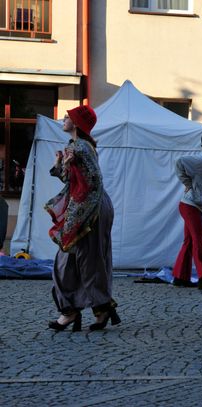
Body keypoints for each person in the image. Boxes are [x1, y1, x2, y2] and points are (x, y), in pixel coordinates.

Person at [45, 105, 120, 332]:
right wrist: (60, 166)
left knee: (89, 262)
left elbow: (94, 182)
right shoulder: (76, 147)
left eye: (67, 117)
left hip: (91, 209)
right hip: (85, 207)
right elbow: (73, 180)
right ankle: (73, 310)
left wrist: (79, 216)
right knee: (70, 262)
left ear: (77, 123)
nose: (64, 119)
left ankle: (95, 309)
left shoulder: (81, 148)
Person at [172, 131, 202, 289]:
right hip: (190, 205)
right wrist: (187, 182)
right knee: (199, 240)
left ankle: (180, 277)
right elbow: (179, 161)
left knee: (189, 241)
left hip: (193, 206)